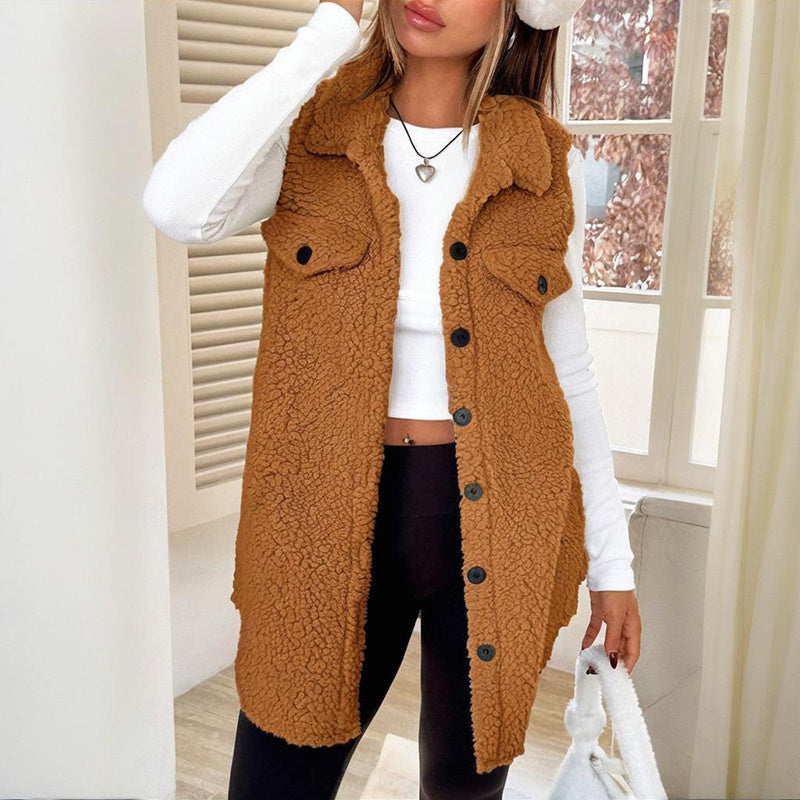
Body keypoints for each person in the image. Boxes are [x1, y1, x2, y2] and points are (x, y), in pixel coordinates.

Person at [143, 1, 643, 798]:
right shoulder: (314, 137)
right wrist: (326, 33)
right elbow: (176, 205)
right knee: (274, 782)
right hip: (323, 518)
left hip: (495, 517)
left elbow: (570, 378)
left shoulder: (537, 164)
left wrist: (614, 568)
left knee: (464, 786)